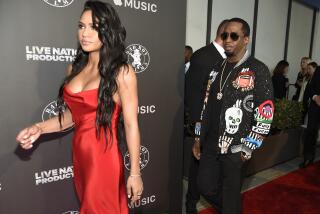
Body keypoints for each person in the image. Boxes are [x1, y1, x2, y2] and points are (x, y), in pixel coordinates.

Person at [16, 1, 143, 213]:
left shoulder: (122, 71)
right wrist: (39, 127)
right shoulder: (74, 67)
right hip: (81, 156)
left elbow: (131, 125)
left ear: (108, 30)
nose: (85, 33)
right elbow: (74, 117)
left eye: (93, 27)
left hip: (104, 157)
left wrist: (135, 173)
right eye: (81, 26)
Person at [196, 18, 274, 214]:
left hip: (237, 148)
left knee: (231, 196)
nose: (228, 40)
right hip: (210, 143)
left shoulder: (258, 69)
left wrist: (248, 148)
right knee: (204, 186)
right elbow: (204, 106)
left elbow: (265, 114)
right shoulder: (216, 68)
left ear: (245, 39)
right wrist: (198, 137)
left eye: (234, 36)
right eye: (224, 35)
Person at [184, 19, 228, 214]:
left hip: (219, 123)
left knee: (210, 165)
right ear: (224, 34)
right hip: (202, 123)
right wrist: (198, 126)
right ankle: (191, 201)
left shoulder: (227, 59)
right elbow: (192, 94)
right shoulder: (203, 56)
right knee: (197, 165)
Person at [300, 64, 320, 168]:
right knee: (311, 133)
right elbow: (310, 89)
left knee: (312, 133)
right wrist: (315, 96)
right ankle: (308, 158)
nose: (307, 70)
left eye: (309, 68)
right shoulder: (315, 73)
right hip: (315, 108)